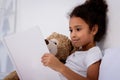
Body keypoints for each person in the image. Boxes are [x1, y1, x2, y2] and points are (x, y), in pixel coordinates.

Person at [41, 0, 108, 80]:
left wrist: (60, 67)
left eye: (78, 29)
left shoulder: (93, 53)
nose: (72, 35)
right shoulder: (77, 52)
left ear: (93, 30)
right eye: (71, 30)